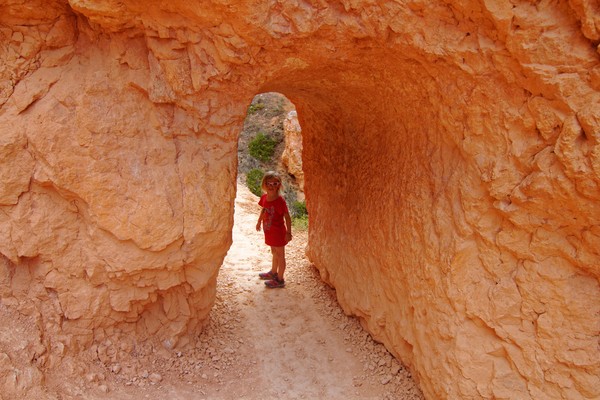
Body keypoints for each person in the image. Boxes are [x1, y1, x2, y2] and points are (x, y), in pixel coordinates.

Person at [255, 171, 292, 288]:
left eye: (275, 183)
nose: (271, 186)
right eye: (269, 183)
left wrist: (288, 232)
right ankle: (273, 272)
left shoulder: (280, 201)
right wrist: (259, 221)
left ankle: (280, 279)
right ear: (264, 185)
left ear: (279, 185)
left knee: (280, 255)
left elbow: (287, 217)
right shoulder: (265, 197)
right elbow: (264, 209)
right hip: (269, 231)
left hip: (278, 232)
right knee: (274, 252)